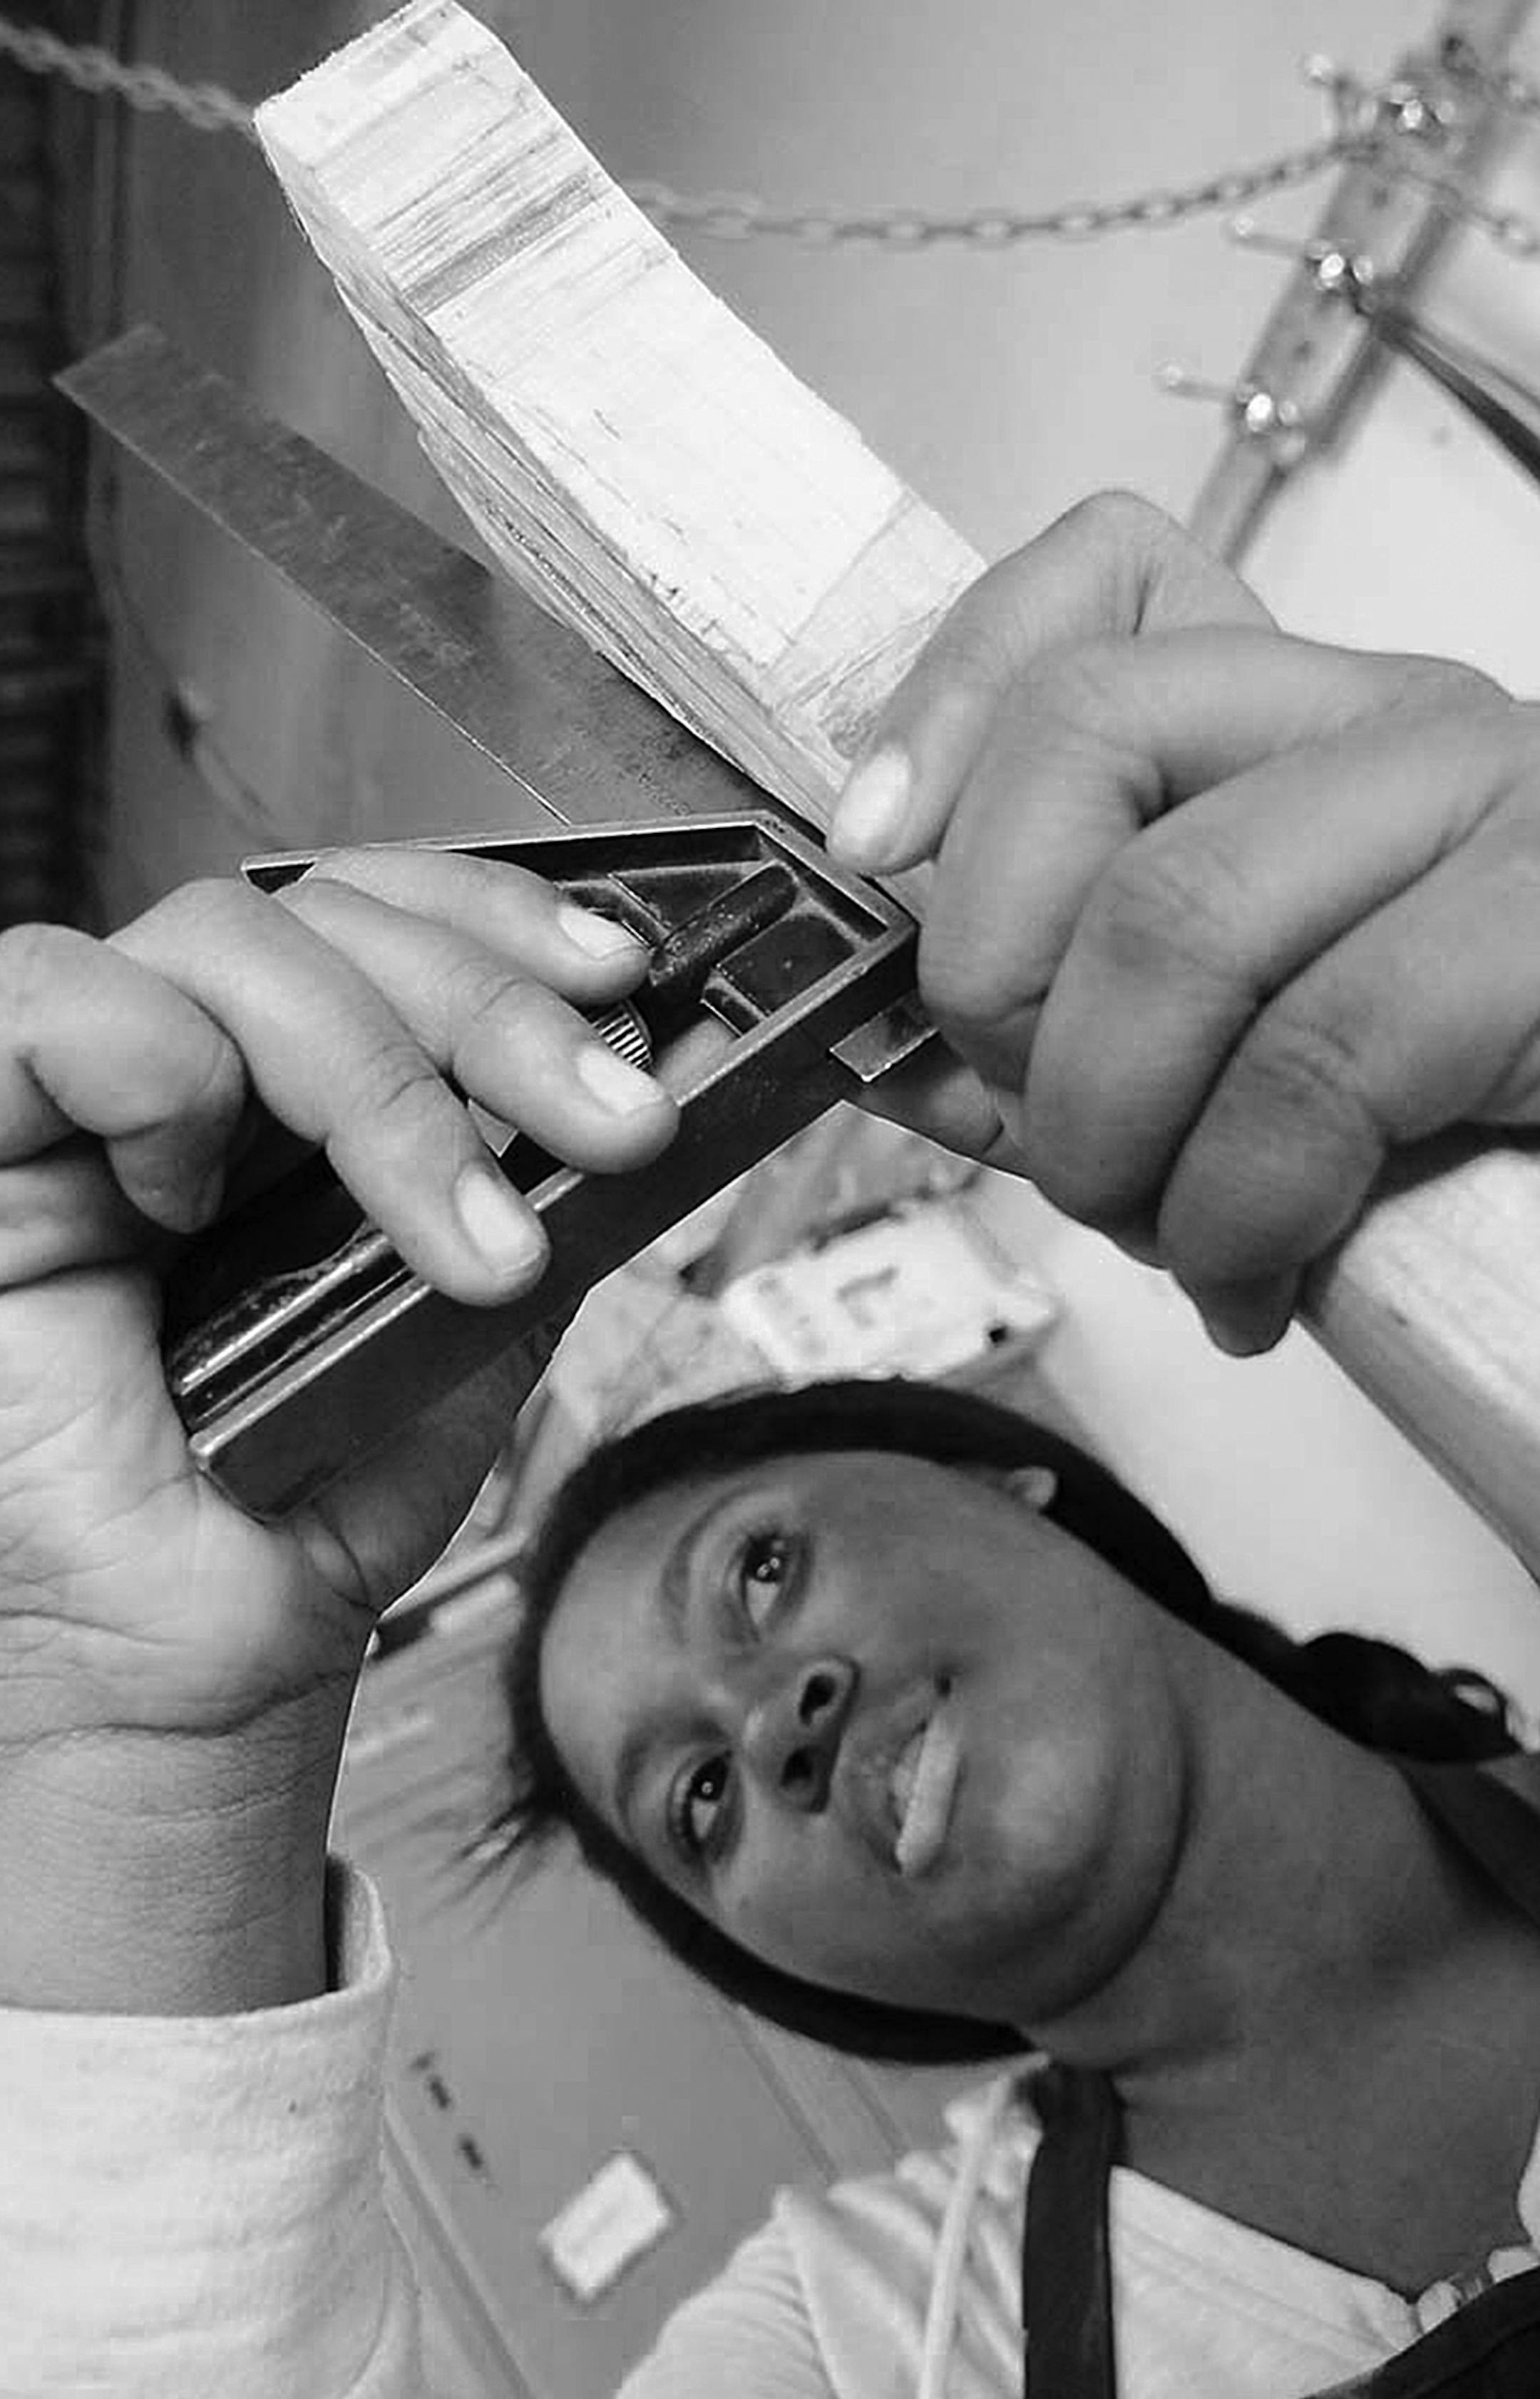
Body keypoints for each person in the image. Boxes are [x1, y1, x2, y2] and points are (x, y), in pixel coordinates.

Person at [4, 491, 1540, 2397]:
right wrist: (136, 1738)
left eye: (760, 1570)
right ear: (801, 1979)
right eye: (701, 1810)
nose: (773, 1732)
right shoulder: (855, 2345)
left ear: (998, 1474)